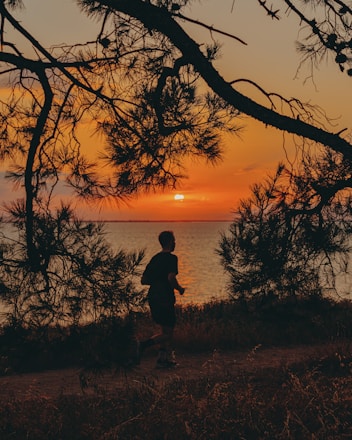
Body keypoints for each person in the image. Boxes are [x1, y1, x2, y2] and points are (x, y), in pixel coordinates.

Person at [139, 230, 185, 368]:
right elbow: (171, 277)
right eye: (174, 240)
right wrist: (179, 289)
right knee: (168, 333)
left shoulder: (155, 258)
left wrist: (157, 281)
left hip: (153, 296)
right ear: (170, 241)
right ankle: (143, 345)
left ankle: (162, 360)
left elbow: (143, 280)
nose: (175, 243)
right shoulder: (172, 258)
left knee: (164, 329)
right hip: (165, 297)